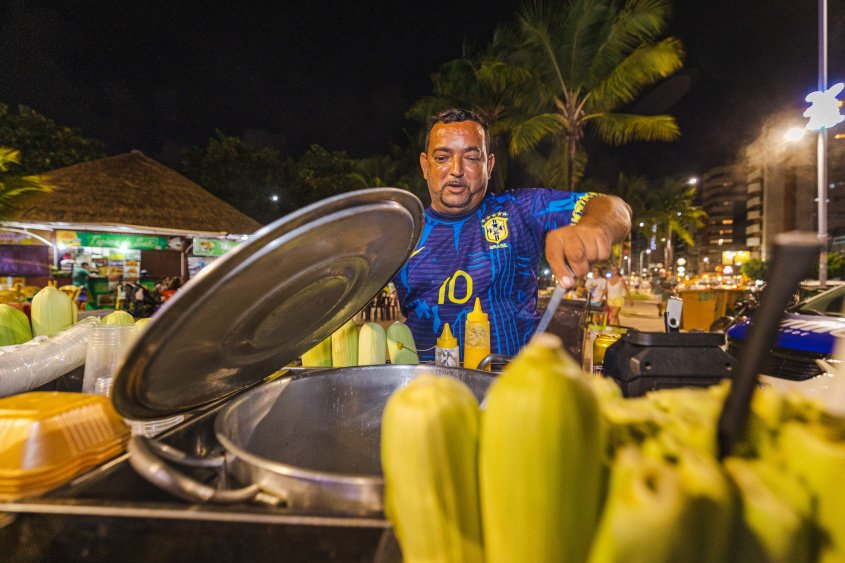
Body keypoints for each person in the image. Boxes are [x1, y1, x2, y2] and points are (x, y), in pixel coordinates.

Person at [392, 108, 631, 360]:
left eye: (472, 158)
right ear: (425, 165)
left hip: (510, 387)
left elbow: (614, 208)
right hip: (425, 391)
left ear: (489, 165)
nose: (456, 170)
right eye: (442, 158)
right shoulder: (402, 233)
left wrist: (594, 227)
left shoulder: (520, 210)